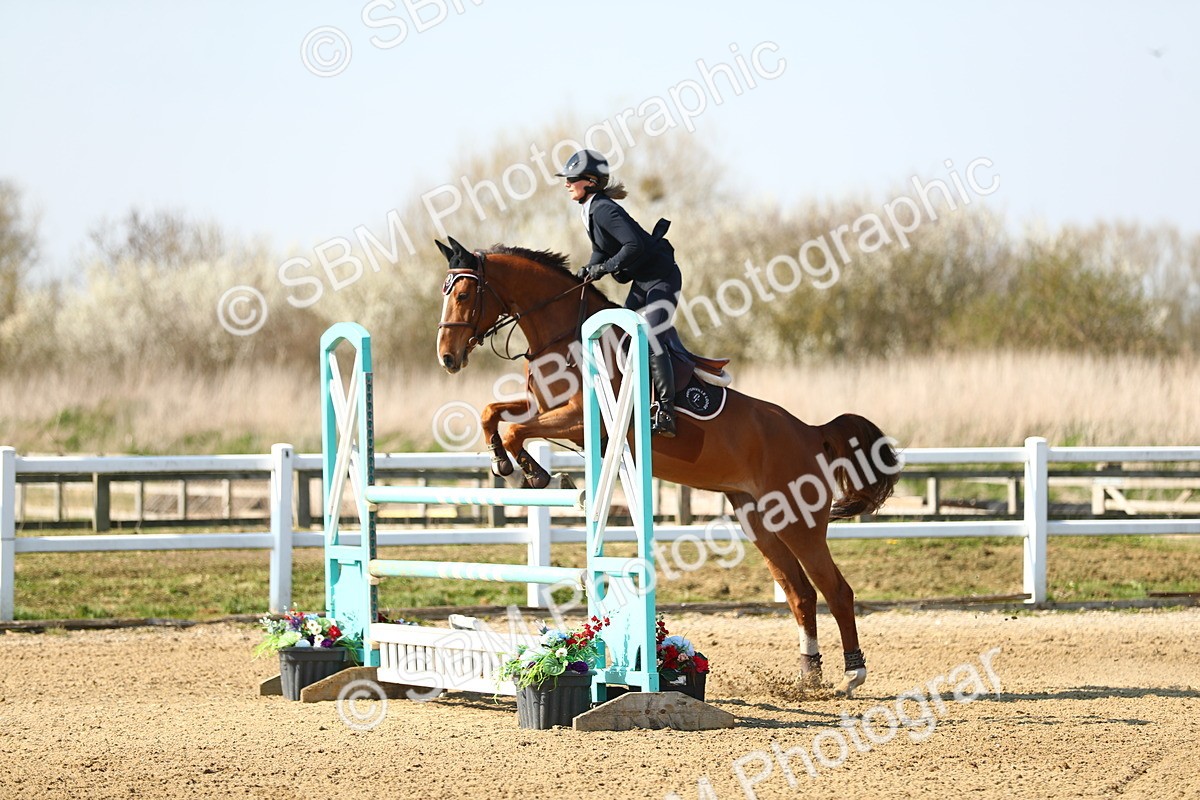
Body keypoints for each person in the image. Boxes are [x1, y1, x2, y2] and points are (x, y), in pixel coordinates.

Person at [556, 149, 681, 437]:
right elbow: (601, 249)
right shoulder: (590, 209)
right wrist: (588, 270)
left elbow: (634, 245)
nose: (566, 183)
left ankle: (666, 410)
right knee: (623, 338)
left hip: (662, 279)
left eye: (571, 178)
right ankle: (634, 403)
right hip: (642, 282)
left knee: (651, 336)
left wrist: (606, 268)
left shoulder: (604, 208)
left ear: (589, 181)